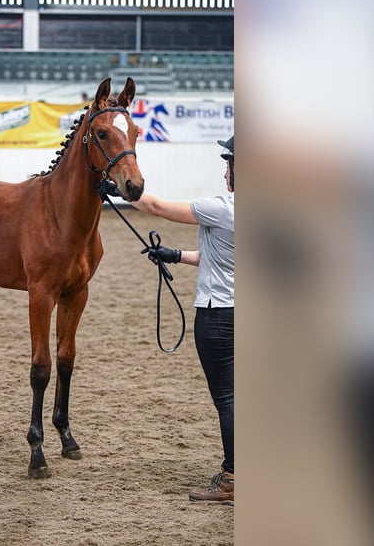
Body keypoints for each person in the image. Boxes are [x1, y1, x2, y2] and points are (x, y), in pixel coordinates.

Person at [132, 135, 235, 503]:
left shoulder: (222, 208)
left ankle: (232, 479)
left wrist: (118, 188)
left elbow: (156, 205)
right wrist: (175, 255)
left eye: (229, 164)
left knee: (227, 398)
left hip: (217, 316)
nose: (226, 171)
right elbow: (221, 257)